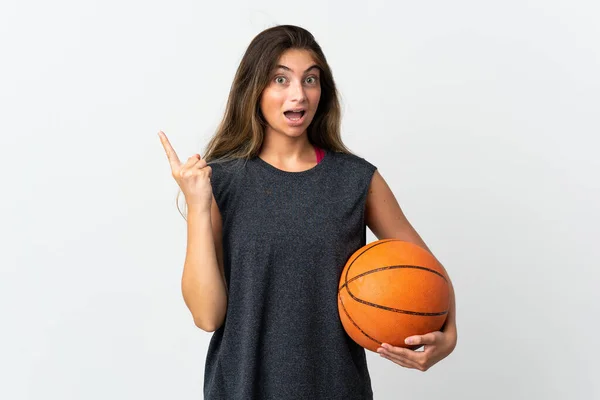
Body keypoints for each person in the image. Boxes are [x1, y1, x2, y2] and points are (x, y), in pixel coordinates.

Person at [158, 24, 457, 400]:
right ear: (255, 90)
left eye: (310, 80)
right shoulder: (220, 181)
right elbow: (207, 316)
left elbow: (427, 270)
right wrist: (200, 204)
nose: (298, 94)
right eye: (280, 79)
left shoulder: (356, 180)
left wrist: (450, 334)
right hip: (241, 388)